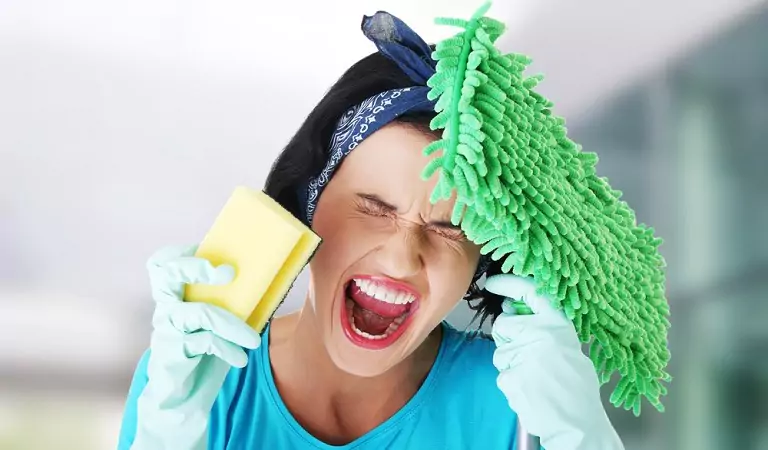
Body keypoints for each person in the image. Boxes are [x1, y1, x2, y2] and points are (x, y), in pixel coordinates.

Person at [117, 11, 624, 450]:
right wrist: (168, 430)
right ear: (307, 206)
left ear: (482, 260)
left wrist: (581, 436)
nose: (404, 258)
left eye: (448, 228)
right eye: (375, 208)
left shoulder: (515, 402)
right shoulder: (195, 383)